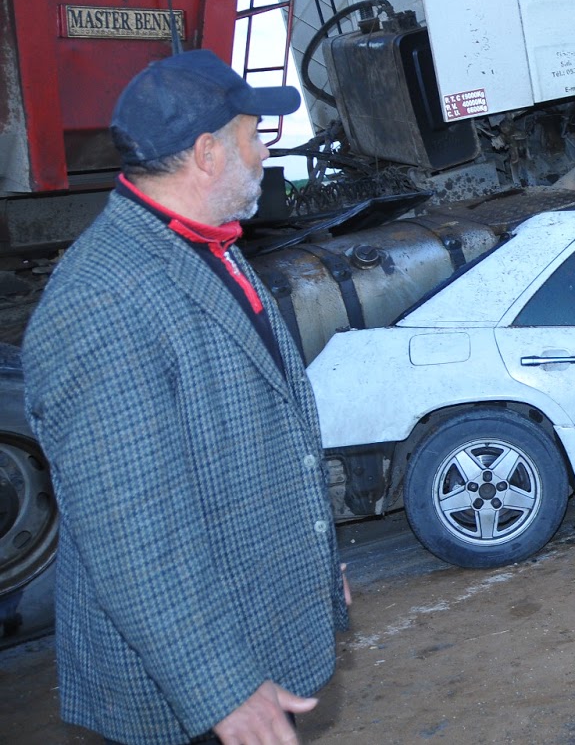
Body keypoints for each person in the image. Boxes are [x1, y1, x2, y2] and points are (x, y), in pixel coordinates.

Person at [23, 50, 349, 745]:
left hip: (259, 620)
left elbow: (254, 439)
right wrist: (222, 690)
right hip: (183, 701)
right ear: (206, 152)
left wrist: (317, 572)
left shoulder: (207, 245)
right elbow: (133, 531)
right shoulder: (103, 303)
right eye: (252, 135)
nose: (264, 151)